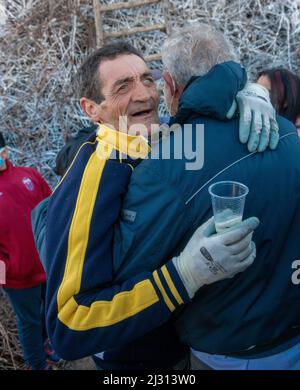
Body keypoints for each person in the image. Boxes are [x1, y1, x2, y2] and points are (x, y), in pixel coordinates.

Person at [42, 39, 277, 370]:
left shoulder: (165, 136)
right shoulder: (93, 178)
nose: (145, 95)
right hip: (139, 363)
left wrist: (249, 93)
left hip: (192, 344)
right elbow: (69, 323)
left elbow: (206, 109)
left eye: (147, 79)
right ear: (92, 109)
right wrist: (184, 275)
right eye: (123, 86)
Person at [111, 25, 300, 370]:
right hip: (292, 334)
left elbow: (127, 265)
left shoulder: (168, 162)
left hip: (227, 350)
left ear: (170, 85)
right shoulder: (286, 131)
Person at [0, 132, 54, 370]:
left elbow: (52, 209)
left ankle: (49, 345)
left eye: (1, 150)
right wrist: (8, 273)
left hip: (47, 264)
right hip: (18, 280)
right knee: (29, 322)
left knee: (50, 310)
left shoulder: (28, 175)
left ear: (5, 151)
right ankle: (37, 364)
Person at [256, 67, 300, 136]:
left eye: (266, 92)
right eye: (256, 90)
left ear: (286, 99)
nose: (256, 97)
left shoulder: (293, 136)